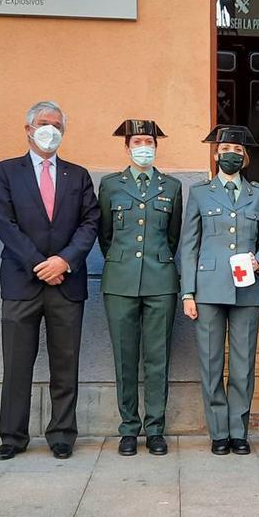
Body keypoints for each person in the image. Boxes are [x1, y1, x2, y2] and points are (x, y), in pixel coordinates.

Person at [0, 101, 99, 461]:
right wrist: (40, 263)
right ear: (28, 129)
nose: (49, 130)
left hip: (66, 282)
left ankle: (62, 433)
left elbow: (89, 224)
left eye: (56, 125)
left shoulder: (78, 175)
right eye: (42, 123)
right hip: (23, 280)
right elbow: (5, 224)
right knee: (17, 364)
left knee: (65, 363)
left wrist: (64, 261)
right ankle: (12, 435)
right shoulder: (7, 172)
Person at [178, 125, 259, 455]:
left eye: (236, 149)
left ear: (244, 156)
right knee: (211, 361)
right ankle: (219, 432)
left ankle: (239, 431)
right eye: (224, 148)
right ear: (216, 154)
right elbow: (189, 245)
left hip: (247, 288)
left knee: (243, 364)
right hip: (208, 288)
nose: (230, 153)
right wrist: (187, 293)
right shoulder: (201, 193)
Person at [98, 119, 182, 457]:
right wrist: (121, 261)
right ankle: (129, 428)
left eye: (148, 141)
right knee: (125, 357)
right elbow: (105, 235)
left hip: (161, 280)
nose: (143, 147)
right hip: (119, 281)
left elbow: (173, 236)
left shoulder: (172, 186)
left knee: (157, 357)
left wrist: (157, 261)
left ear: (156, 146)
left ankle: (156, 429)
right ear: (127, 147)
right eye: (137, 142)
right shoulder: (110, 185)